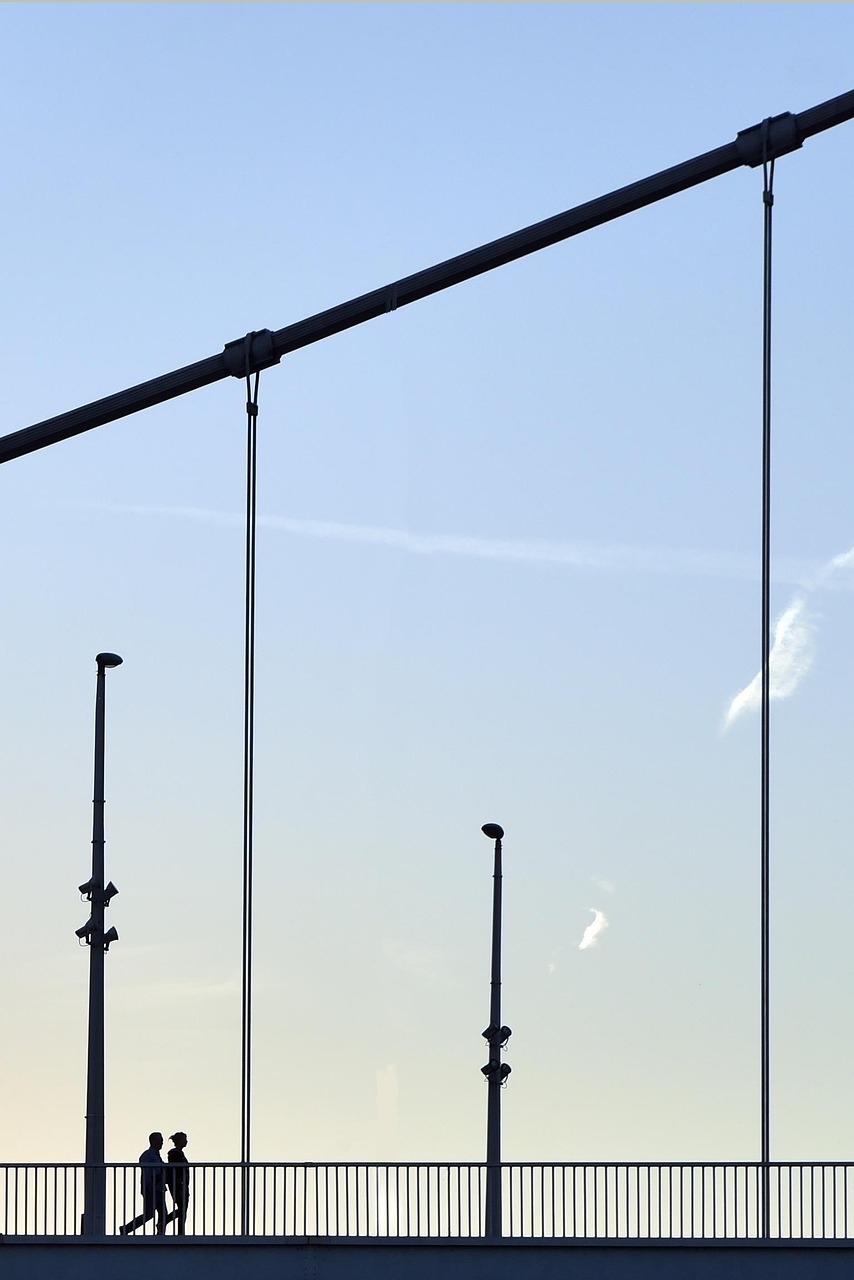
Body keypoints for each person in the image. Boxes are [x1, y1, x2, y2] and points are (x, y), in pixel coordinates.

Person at [119, 1132, 166, 1235]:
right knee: (149, 1214)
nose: (162, 1142)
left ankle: (160, 1233)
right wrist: (150, 1185)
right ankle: (126, 1229)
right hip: (151, 1188)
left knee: (162, 1212)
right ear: (153, 1141)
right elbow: (147, 1172)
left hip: (158, 1188)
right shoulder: (148, 1155)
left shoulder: (155, 1155)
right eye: (160, 1140)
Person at [165, 1131, 190, 1234]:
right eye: (184, 1139)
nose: (186, 1141)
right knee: (182, 1208)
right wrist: (179, 1181)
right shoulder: (174, 1153)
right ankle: (166, 1222)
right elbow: (175, 1170)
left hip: (183, 1185)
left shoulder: (179, 1153)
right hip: (177, 1184)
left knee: (183, 1208)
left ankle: (180, 1230)